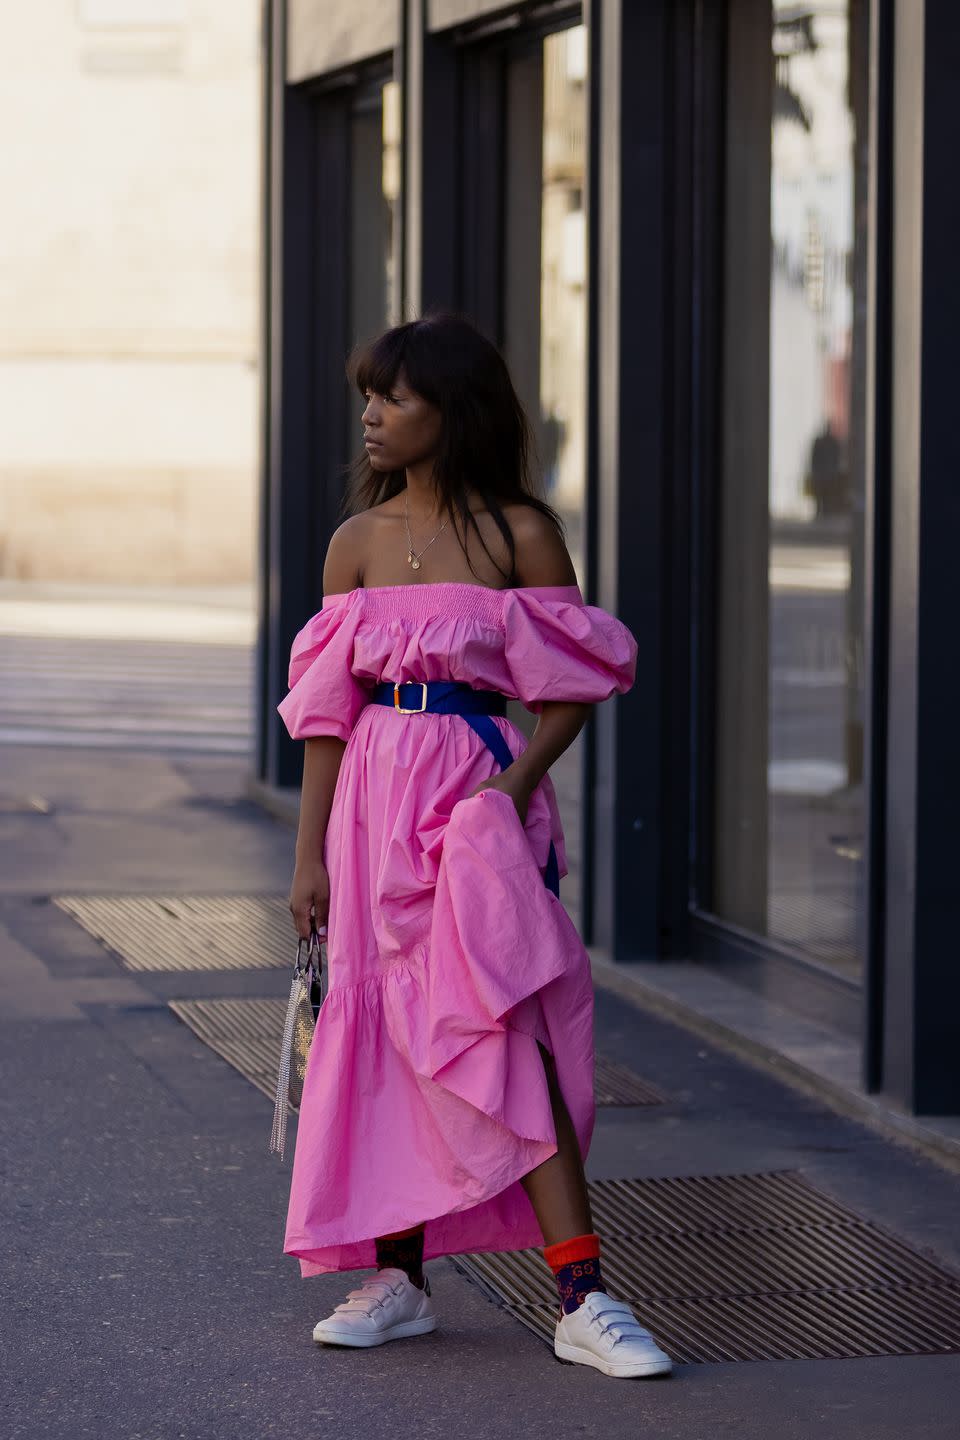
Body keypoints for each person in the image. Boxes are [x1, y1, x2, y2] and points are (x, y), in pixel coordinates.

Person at [278, 311, 672, 1380]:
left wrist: (510, 789)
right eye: (369, 393)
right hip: (369, 810)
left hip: (474, 813)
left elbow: (572, 688)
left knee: (502, 1025)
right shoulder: (353, 545)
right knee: (386, 1033)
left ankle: (584, 1295)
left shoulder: (521, 535)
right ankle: (398, 1280)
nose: (370, 413)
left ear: (453, 414)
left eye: (393, 397)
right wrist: (308, 860)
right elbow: (325, 716)